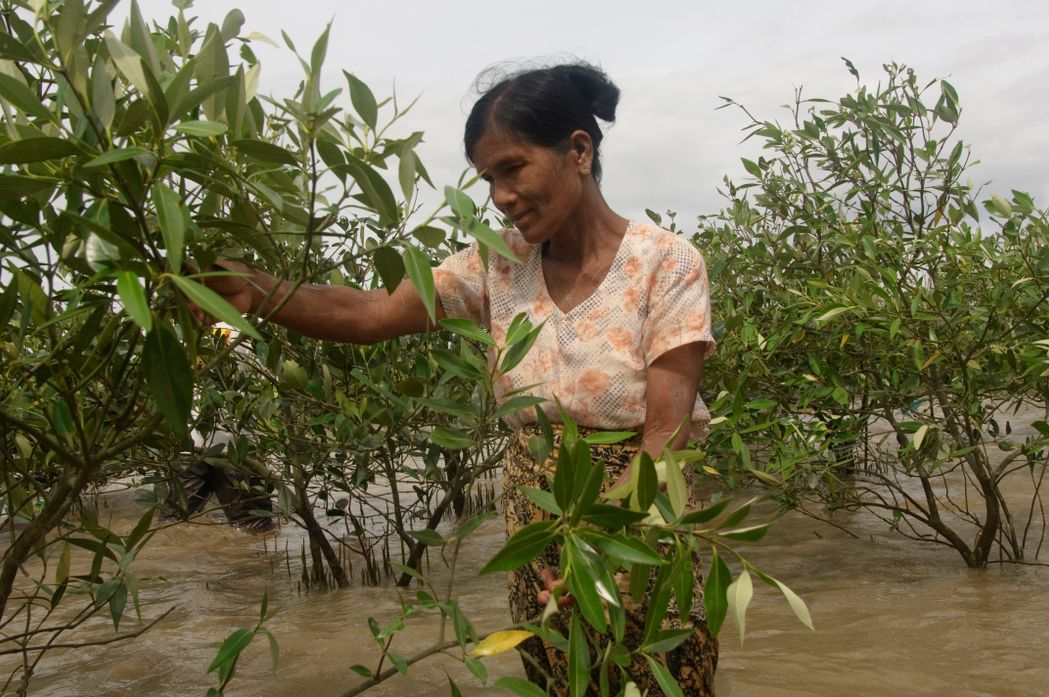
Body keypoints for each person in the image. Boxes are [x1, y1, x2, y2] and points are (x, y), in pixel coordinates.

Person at [203, 62, 717, 695]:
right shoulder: (496, 263)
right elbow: (373, 312)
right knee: (562, 676)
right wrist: (258, 291)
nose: (499, 196)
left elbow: (666, 437)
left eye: (513, 167)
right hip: (538, 519)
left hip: (637, 522)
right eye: (488, 178)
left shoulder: (666, 263)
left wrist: (596, 547)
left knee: (661, 674)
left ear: (578, 151)